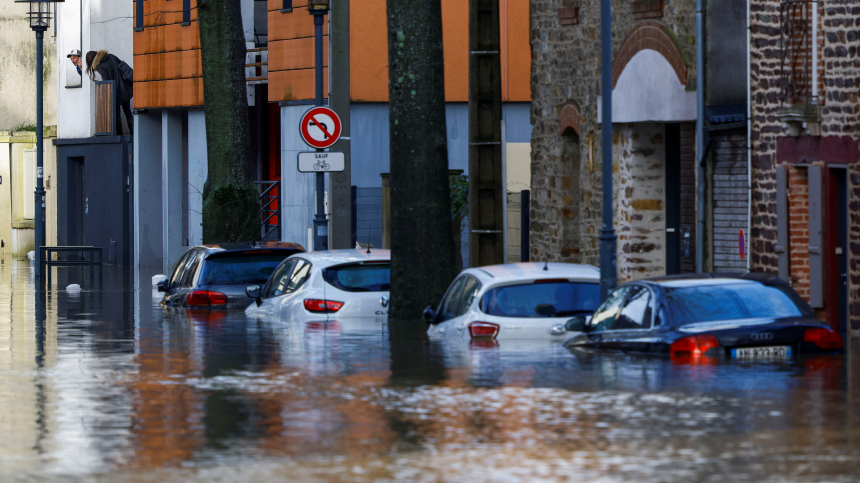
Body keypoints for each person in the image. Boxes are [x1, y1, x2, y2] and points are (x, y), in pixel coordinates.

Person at [85, 50, 134, 135]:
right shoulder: (111, 56)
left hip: (115, 92)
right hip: (125, 89)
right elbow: (123, 67)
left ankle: (119, 135)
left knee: (116, 115)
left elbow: (106, 81)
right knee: (128, 112)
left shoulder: (99, 66)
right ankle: (133, 133)